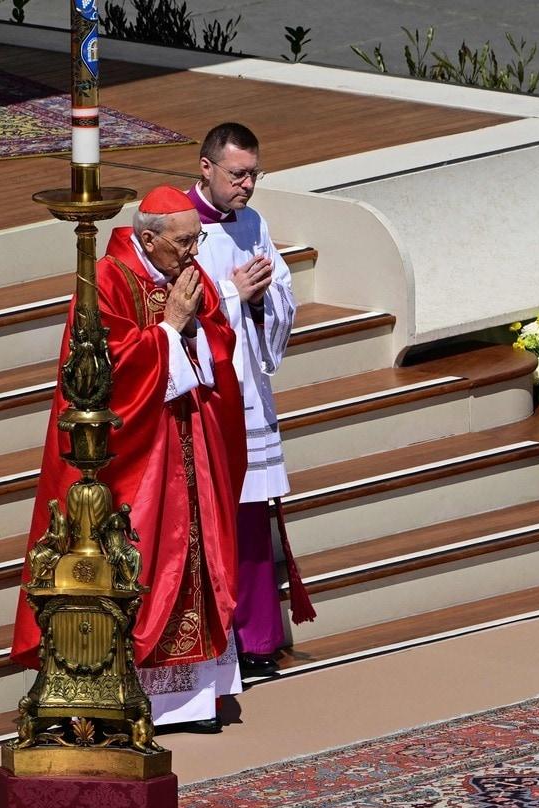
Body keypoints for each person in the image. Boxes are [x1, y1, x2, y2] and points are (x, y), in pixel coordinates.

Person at [12, 185, 247, 733]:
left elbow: (218, 337)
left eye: (198, 239)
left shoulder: (187, 273)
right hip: (136, 460)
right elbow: (100, 371)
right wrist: (168, 330)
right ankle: (126, 694)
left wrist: (193, 327)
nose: (194, 251)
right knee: (145, 560)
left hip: (191, 443)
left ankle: (196, 700)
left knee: (198, 554)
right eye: (184, 241)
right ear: (148, 238)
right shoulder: (107, 280)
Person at [187, 122, 313, 680]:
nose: (247, 186)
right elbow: (177, 309)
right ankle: (218, 641)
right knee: (213, 516)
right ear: (206, 167)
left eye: (254, 174)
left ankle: (258, 637)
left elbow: (281, 292)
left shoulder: (254, 223)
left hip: (250, 390)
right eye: (238, 175)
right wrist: (235, 297)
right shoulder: (177, 226)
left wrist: (261, 302)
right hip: (205, 392)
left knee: (252, 513)